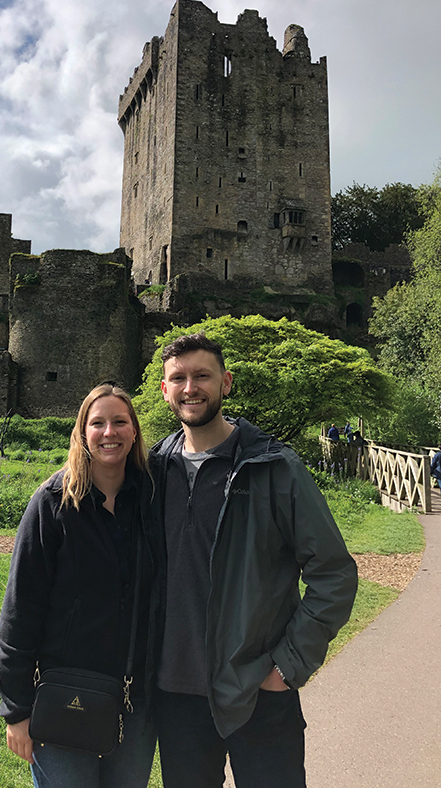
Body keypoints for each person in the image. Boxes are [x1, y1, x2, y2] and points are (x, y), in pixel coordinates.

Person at [148, 333, 358, 788]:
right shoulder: (152, 471)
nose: (190, 388)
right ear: (164, 390)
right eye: (178, 378)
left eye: (202, 376)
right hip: (176, 695)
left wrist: (288, 665)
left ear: (226, 383)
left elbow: (333, 573)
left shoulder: (275, 468)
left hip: (258, 690)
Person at [0, 383, 157, 788]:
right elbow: (21, 609)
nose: (109, 432)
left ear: (134, 431)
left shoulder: (153, 498)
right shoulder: (52, 503)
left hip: (134, 699)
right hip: (66, 694)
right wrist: (16, 710)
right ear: (82, 433)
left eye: (120, 422)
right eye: (97, 423)